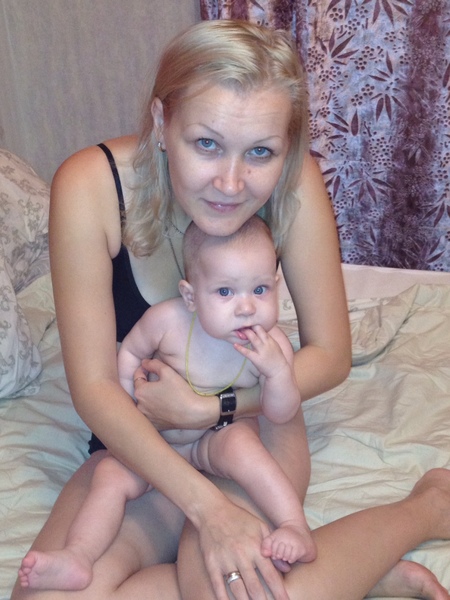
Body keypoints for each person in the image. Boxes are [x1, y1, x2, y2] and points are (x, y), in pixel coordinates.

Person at [11, 18, 450, 600]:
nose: (231, 183)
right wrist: (207, 509)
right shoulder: (90, 186)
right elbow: (94, 387)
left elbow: (330, 354)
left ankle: (426, 508)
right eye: (207, 144)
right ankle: (352, 572)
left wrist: (211, 407)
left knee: (244, 596)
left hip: (252, 441)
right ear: (162, 123)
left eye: (261, 152)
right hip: (142, 449)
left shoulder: (295, 183)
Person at [18, 216, 317, 591]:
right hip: (160, 441)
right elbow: (130, 353)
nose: (246, 307)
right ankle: (78, 555)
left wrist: (278, 374)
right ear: (191, 296)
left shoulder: (272, 346)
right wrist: (130, 398)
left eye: (259, 290)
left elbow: (280, 411)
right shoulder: (167, 321)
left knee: (244, 446)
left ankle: (294, 525)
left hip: (215, 437)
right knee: (110, 476)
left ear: (276, 285)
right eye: (225, 292)